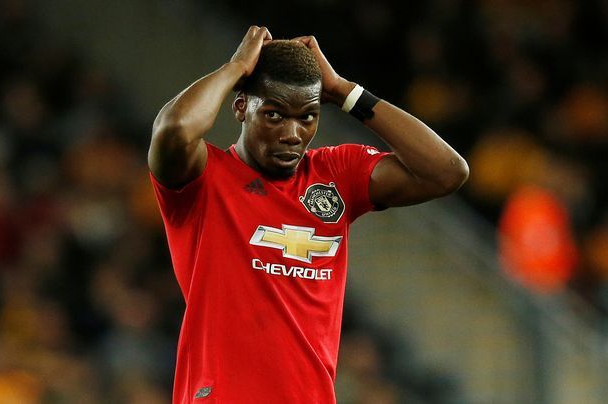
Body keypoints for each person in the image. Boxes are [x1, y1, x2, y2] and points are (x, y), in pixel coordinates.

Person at [148, 25, 469, 403]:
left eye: (307, 117)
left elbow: (447, 172)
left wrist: (345, 92)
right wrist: (235, 68)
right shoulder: (202, 178)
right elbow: (175, 129)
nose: (292, 133)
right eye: (274, 115)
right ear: (241, 107)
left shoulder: (336, 175)